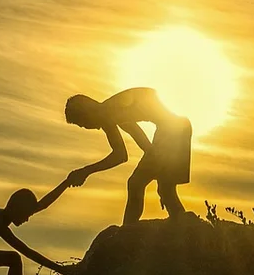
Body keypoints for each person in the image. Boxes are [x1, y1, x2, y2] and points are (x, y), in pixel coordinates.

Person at [63, 87, 194, 224]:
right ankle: (181, 225)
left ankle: (129, 229)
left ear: (87, 112)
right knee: (165, 190)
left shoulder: (108, 112)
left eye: (83, 123)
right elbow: (144, 145)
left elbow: (120, 155)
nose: (86, 127)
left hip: (173, 131)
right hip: (176, 128)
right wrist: (158, 167)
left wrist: (86, 171)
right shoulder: (110, 112)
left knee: (137, 184)